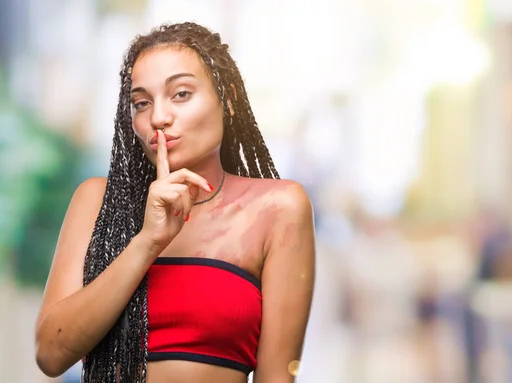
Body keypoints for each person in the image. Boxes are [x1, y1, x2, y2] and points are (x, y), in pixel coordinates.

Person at [34, 22, 316, 383]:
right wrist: (147, 243)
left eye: (181, 94)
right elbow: (50, 354)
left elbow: (276, 376)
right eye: (141, 103)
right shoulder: (97, 201)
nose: (158, 118)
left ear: (227, 99)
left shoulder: (278, 207)